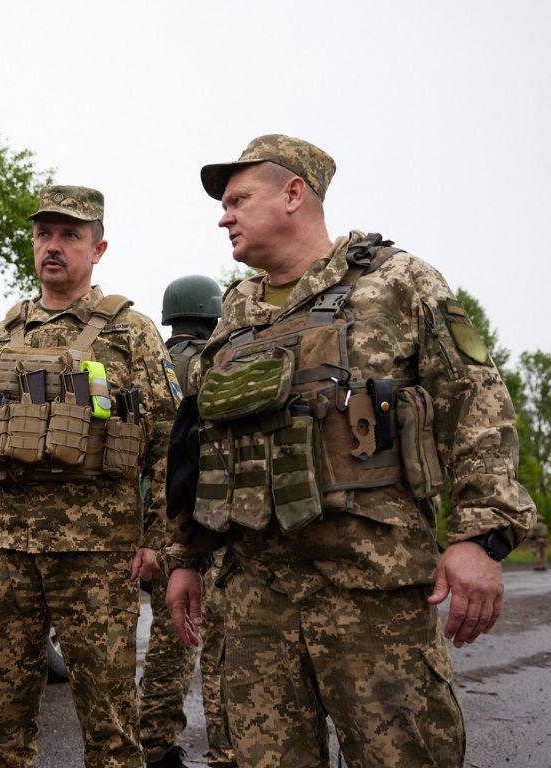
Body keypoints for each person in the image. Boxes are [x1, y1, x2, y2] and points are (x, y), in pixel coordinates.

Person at [163, 134, 536, 768]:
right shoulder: (235, 314)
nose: (224, 217)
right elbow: (196, 446)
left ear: (293, 194)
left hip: (373, 591)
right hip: (255, 598)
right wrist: (187, 556)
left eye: (237, 200)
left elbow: (476, 405)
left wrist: (480, 536)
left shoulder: (397, 282)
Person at [0, 185, 177, 768]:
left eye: (70, 235)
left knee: (110, 721)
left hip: (97, 555)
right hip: (7, 551)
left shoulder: (131, 333)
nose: (54, 245)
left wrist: (159, 541)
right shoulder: (1, 337)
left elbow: (169, 445)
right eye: (44, 233)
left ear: (98, 248)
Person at [138, 275, 234, 768]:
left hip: (147, 529)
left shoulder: (151, 364)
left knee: (168, 637)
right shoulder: (210, 364)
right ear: (211, 316)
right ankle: (227, 750)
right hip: (195, 527)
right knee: (212, 639)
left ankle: (154, 742)